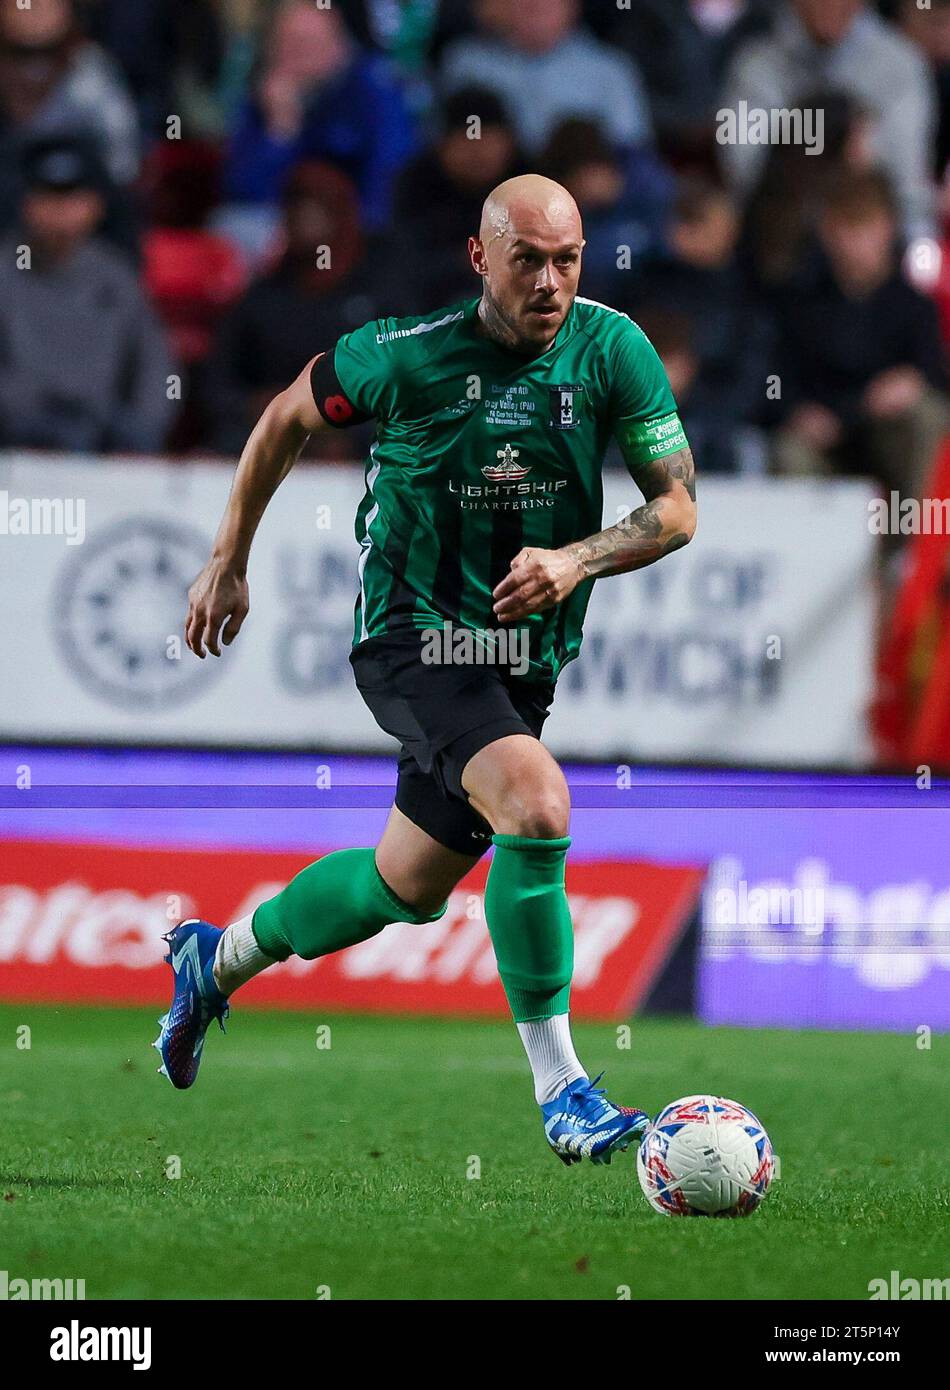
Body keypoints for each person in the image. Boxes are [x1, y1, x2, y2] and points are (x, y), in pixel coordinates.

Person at [157, 174, 696, 1167]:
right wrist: (228, 558)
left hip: (520, 653)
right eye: (526, 258)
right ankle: (562, 1088)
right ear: (478, 256)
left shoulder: (612, 349)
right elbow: (284, 418)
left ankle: (215, 959)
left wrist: (573, 558)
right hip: (412, 632)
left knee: (403, 886)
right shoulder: (402, 355)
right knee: (534, 804)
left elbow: (676, 508)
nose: (548, 281)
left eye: (566, 260)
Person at [771, 171, 948, 502]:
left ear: (887, 228)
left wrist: (913, 382)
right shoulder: (801, 303)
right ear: (826, 231)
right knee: (789, 450)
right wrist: (793, 410)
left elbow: (936, 378)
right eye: (844, 227)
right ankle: (812, 551)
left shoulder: (914, 306)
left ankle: (918, 545)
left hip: (889, 440)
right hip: (827, 441)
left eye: (864, 226)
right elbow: (772, 381)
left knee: (926, 415)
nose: (853, 241)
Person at [0, 135, 174, 454]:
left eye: (72, 197)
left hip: (100, 445)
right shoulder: (4, 271)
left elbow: (156, 369)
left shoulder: (116, 277)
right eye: (48, 196)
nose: (61, 210)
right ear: (25, 203)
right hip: (15, 445)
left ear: (96, 205)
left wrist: (140, 430)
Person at [720, 0, 937, 238]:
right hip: (781, 239)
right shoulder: (754, 68)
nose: (832, 4)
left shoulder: (901, 66)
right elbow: (745, 174)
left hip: (874, 239)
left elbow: (908, 183)